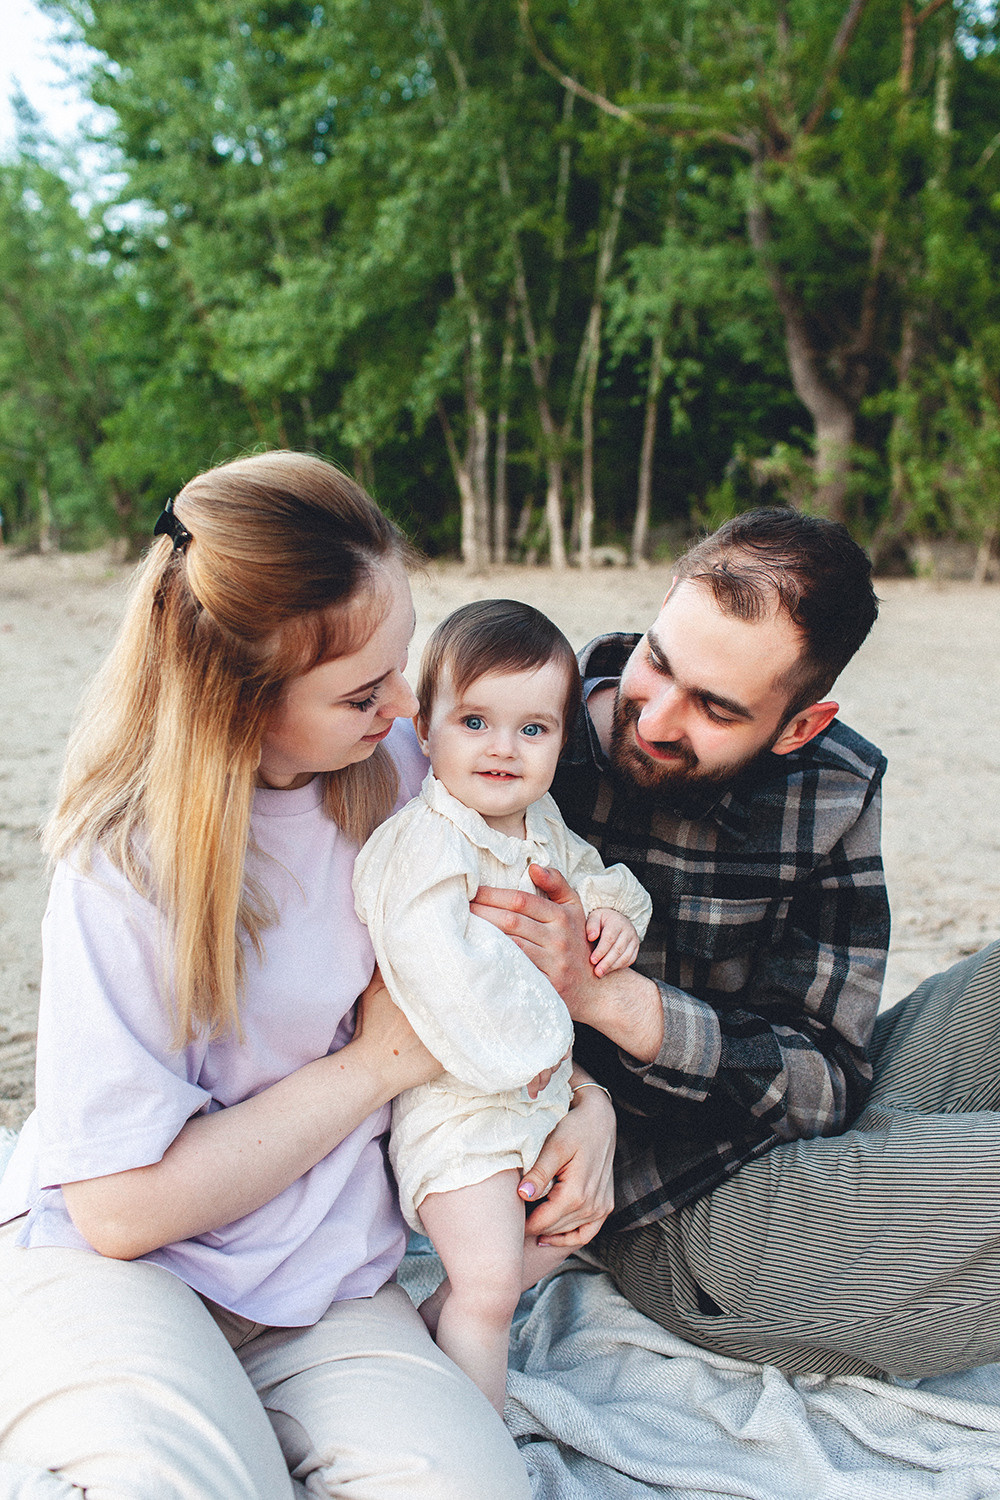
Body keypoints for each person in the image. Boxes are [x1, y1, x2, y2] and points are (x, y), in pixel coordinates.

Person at [0, 452, 615, 1499]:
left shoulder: (414, 776)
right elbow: (118, 1212)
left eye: (403, 664)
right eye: (362, 692)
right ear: (238, 701)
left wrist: (588, 1104)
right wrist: (377, 1063)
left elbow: (501, 974)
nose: (405, 706)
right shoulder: (122, 864)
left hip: (327, 1283)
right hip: (121, 1271)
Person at [472, 507, 999, 1381]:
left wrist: (615, 1001)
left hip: (797, 1127)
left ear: (799, 727)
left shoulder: (829, 785)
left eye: (715, 708)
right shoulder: (514, 731)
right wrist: (585, 1095)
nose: (656, 719)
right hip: (677, 1215)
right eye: (658, 662)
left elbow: (827, 1080)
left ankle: (915, 1182)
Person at [353, 600, 651, 1412]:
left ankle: (423, 1348)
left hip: (533, 1099)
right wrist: (547, 1047)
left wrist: (613, 916)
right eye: (475, 721)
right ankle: (484, 1440)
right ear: (426, 729)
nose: (502, 749)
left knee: (559, 1233)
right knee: (489, 1287)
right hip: (459, 1111)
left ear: (562, 739)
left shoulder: (540, 823)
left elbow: (592, 878)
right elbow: (443, 973)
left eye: (533, 729)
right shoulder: (429, 844)